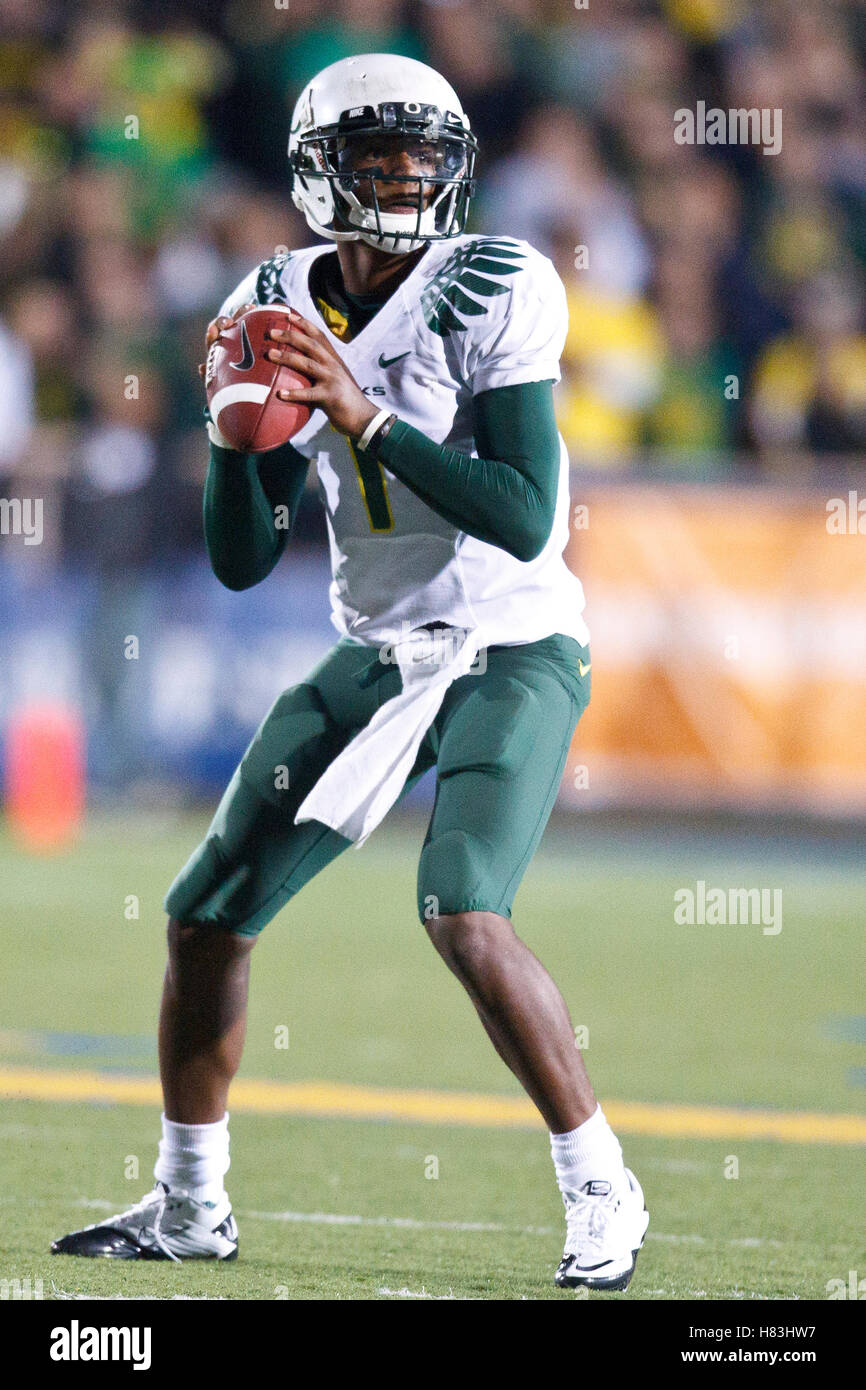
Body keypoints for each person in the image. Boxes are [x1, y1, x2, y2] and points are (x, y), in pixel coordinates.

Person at [52, 53, 649, 1291]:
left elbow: (524, 512)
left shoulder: (493, 280)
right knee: (204, 912)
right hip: (379, 648)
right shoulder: (269, 293)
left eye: (424, 157)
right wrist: (230, 441)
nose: (406, 178)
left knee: (461, 906)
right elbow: (238, 559)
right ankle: (188, 1202)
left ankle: (600, 1182)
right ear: (321, 170)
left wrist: (364, 416)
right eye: (379, 157)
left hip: (509, 636)